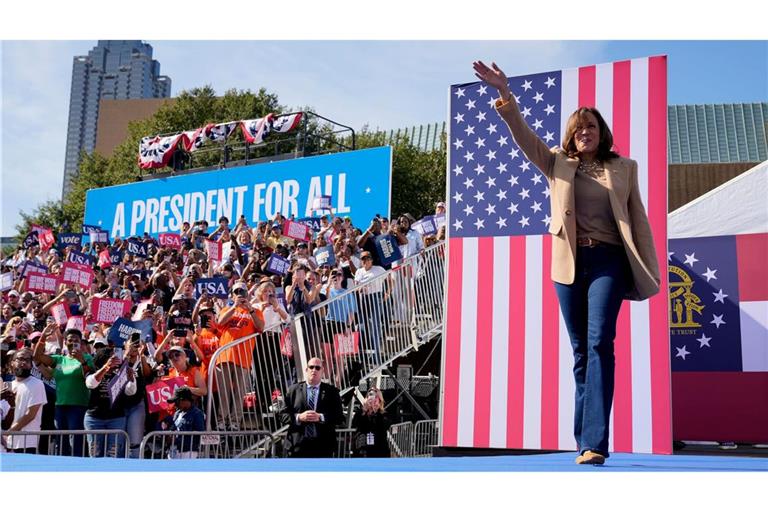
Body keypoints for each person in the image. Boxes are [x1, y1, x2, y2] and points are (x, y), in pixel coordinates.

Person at [474, 60, 661, 465]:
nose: (584, 133)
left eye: (590, 126)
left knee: (599, 343)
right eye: (578, 128)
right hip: (569, 264)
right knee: (580, 351)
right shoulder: (557, 162)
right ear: (571, 136)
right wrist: (504, 94)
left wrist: (647, 266)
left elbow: (639, 219)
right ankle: (584, 439)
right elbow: (523, 137)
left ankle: (595, 442)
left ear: (601, 132)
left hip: (609, 260)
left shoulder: (624, 168)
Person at [33, 325, 94, 456]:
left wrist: (81, 361)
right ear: (65, 342)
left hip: (78, 407)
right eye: (70, 340)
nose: (73, 342)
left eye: (76, 340)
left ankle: (78, 469)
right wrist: (43, 336)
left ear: (80, 342)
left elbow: (91, 378)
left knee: (76, 441)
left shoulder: (87, 358)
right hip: (60, 406)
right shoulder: (59, 359)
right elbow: (37, 356)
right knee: (61, 441)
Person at [215, 281, 264, 430]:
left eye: (242, 292)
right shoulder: (226, 309)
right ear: (232, 295)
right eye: (236, 292)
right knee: (224, 392)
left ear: (247, 295)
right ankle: (222, 421)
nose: (239, 295)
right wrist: (234, 306)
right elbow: (220, 321)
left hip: (243, 357)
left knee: (239, 393)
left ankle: (235, 422)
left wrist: (250, 310)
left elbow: (261, 327)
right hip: (225, 356)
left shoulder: (255, 311)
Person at [280, 358, 343, 458]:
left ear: (322, 371)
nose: (314, 370)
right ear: (306, 370)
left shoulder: (332, 392)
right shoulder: (293, 390)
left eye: (317, 368)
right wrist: (299, 417)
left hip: (323, 447)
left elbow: (339, 417)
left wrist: (321, 417)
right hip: (297, 446)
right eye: (311, 367)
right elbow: (282, 415)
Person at [84, 347, 137, 457]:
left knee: (113, 454)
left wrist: (131, 379)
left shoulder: (121, 373)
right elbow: (91, 384)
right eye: (112, 357)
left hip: (116, 418)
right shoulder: (93, 372)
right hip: (95, 418)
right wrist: (106, 368)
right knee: (95, 455)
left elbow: (130, 392)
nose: (115, 359)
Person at [5, 349, 47, 453]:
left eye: (27, 360)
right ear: (12, 363)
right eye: (20, 359)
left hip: (26, 442)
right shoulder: (8, 386)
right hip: (6, 442)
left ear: (31, 365)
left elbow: (30, 414)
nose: (23, 362)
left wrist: (8, 433)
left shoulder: (37, 384)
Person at [163, 386, 205, 459]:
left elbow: (200, 434)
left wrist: (178, 439)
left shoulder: (197, 414)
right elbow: (173, 429)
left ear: (184, 400)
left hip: (188, 453)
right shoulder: (177, 413)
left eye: (176, 402)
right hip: (173, 451)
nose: (175, 405)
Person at [352, 387, 390, 458]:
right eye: (369, 395)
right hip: (362, 449)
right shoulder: (360, 413)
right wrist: (365, 410)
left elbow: (383, 426)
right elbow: (355, 424)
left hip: (379, 450)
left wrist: (375, 411)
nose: (371, 398)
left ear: (378, 399)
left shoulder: (383, 414)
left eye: (373, 395)